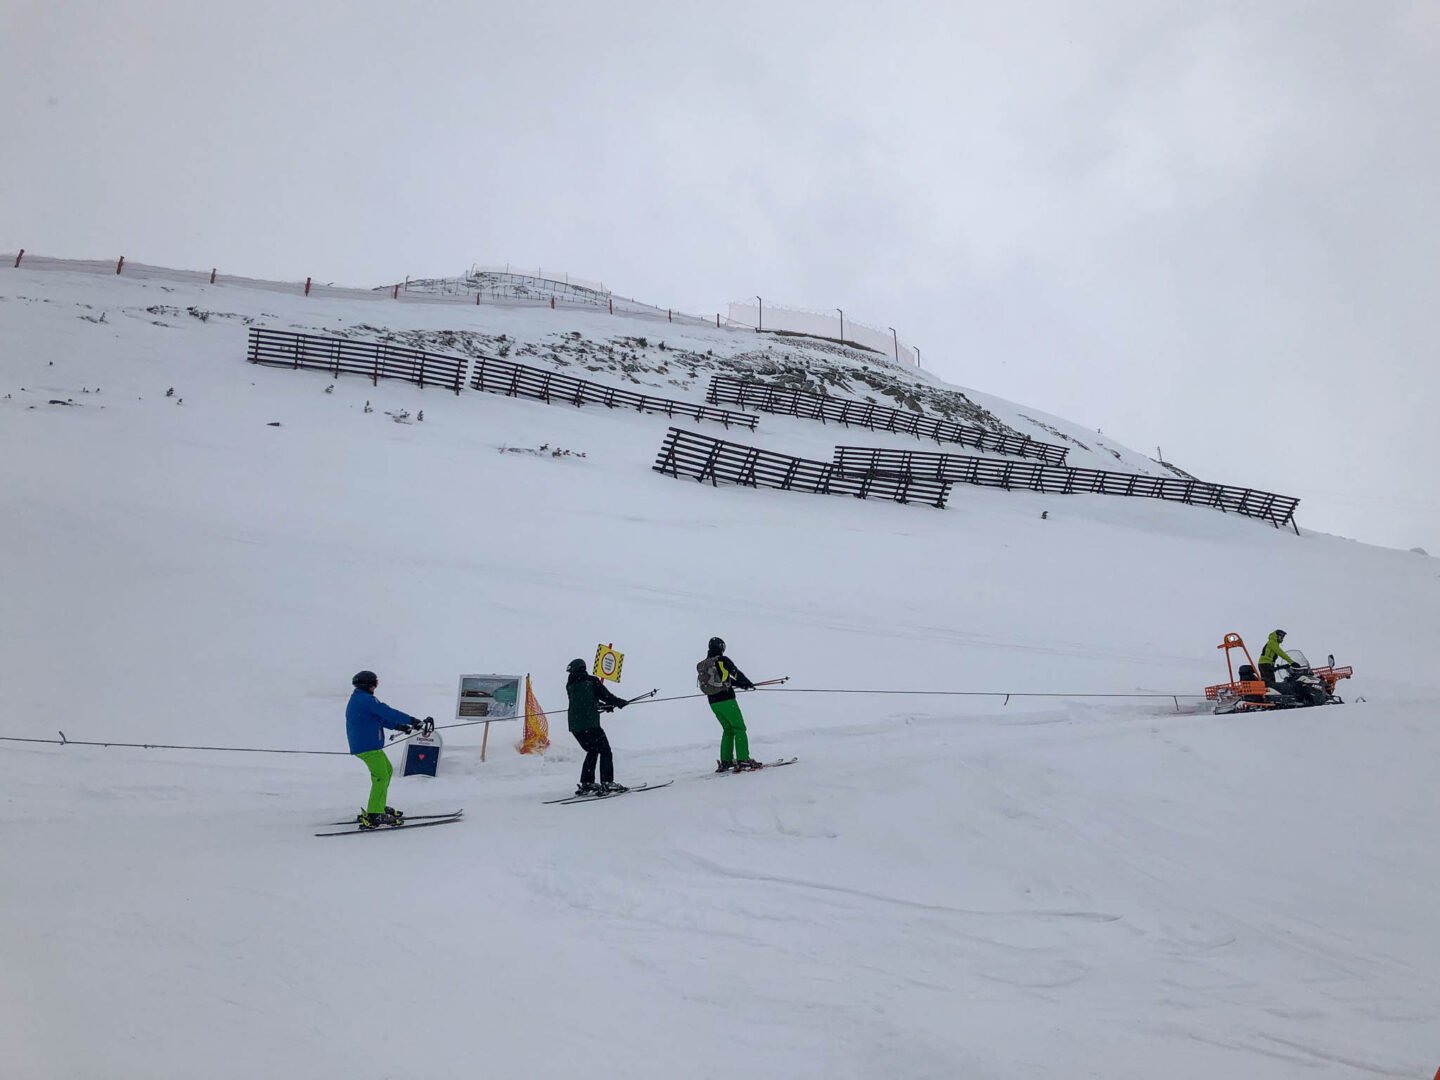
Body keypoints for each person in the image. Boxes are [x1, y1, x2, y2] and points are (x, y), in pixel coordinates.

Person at [346, 670, 430, 829]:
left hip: (369, 745)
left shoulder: (361, 698)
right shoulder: (365, 700)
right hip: (367, 746)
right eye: (375, 683)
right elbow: (387, 712)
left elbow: (378, 718)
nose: (376, 686)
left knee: (387, 771)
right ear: (368, 684)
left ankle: (378, 805)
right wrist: (413, 721)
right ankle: (375, 814)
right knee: (381, 776)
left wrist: (399, 726)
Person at [565, 658, 629, 795]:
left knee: (592, 750)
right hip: (590, 724)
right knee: (605, 750)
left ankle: (587, 783)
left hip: (575, 726)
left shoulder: (569, 686)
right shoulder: (591, 681)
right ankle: (607, 782)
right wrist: (619, 703)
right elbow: (606, 696)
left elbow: (584, 701)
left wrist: (604, 706)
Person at [698, 636, 758, 772]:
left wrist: (741, 684)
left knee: (728, 729)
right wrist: (747, 683)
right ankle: (743, 759)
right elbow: (735, 673)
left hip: (713, 702)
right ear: (721, 647)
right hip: (727, 700)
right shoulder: (723, 660)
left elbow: (725, 678)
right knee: (739, 728)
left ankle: (726, 761)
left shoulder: (706, 664)